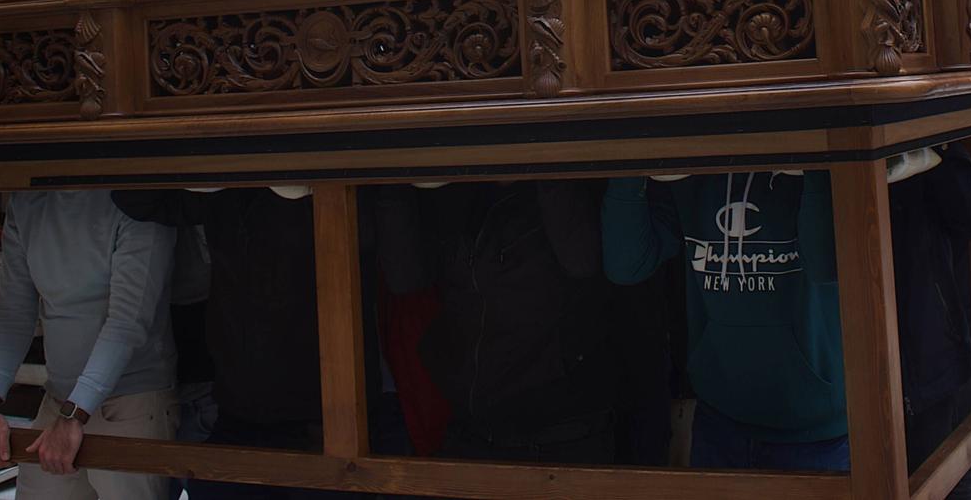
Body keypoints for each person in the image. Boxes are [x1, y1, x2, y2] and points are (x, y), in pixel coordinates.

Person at [374, 180, 635, 465]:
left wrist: (541, 151)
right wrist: (393, 175)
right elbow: (405, 276)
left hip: (562, 436)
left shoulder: (560, 186)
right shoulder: (452, 187)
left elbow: (582, 258)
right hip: (472, 433)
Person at [602, 170, 847, 472]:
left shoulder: (810, 173)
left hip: (817, 431)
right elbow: (627, 264)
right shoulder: (690, 171)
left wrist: (813, 161)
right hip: (720, 422)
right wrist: (632, 165)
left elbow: (826, 265)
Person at [110, 187, 343, 500]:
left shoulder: (325, 191)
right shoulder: (223, 192)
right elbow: (136, 199)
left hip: (323, 419)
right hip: (238, 414)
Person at [0, 190, 177, 500]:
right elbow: (13, 313)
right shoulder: (26, 203)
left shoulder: (139, 200)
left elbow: (127, 323)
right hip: (60, 399)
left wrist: (73, 415)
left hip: (132, 404)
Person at [889, 145, 971, 499]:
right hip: (867, 362)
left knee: (954, 475)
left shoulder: (934, 150)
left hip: (931, 352)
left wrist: (947, 147)